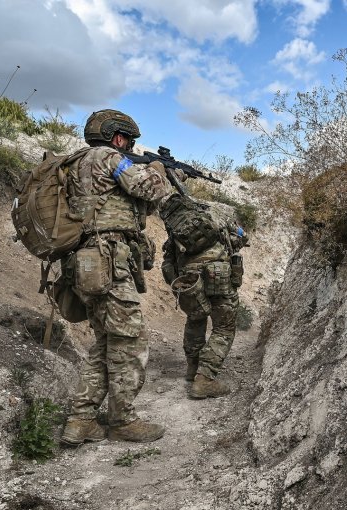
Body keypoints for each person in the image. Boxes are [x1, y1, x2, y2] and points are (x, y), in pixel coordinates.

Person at [60, 109, 172, 445]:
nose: (130, 146)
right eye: (129, 141)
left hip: (83, 264)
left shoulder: (75, 162)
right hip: (109, 261)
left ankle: (80, 421)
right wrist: (157, 169)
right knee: (131, 341)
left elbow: (125, 204)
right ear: (117, 137)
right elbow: (151, 190)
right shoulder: (109, 156)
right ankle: (122, 420)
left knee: (106, 343)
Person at [160, 195, 247, 399]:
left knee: (195, 319)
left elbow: (168, 262)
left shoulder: (175, 231)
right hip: (220, 276)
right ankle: (205, 378)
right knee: (224, 328)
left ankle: (193, 368)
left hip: (189, 278)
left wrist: (177, 284)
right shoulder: (217, 216)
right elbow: (241, 239)